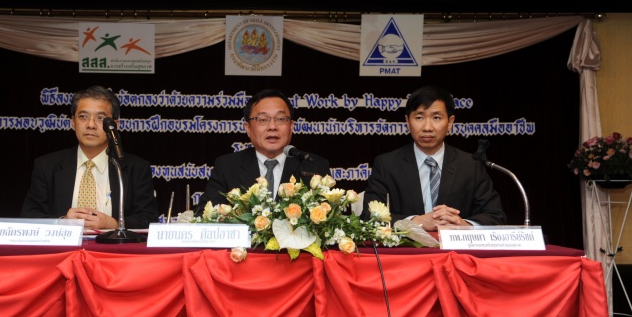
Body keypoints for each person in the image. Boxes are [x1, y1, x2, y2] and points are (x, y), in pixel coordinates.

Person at [363, 85, 506, 230]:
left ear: (450, 122)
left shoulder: (470, 165)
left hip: (454, 244)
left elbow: (495, 216)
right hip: (407, 245)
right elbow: (369, 217)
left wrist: (464, 225)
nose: (427, 127)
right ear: (408, 122)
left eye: (436, 118)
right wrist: (414, 222)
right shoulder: (387, 165)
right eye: (419, 117)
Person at [22, 86, 159, 230]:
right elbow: (29, 215)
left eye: (100, 118)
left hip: (112, 244)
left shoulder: (136, 168)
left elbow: (148, 218)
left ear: (114, 125)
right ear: (73, 122)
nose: (91, 125)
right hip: (64, 244)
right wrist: (63, 222)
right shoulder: (47, 166)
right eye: (83, 117)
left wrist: (114, 224)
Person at [197, 89, 330, 212]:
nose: (272, 126)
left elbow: (331, 219)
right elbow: (206, 215)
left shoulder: (314, 166)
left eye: (280, 119)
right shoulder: (227, 167)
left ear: (291, 126)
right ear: (248, 128)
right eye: (262, 120)